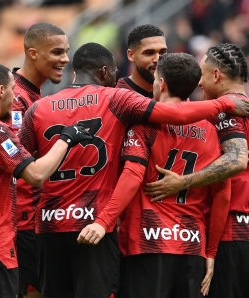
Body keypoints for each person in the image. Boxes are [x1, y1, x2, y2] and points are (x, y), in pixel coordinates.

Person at [17, 42, 249, 298]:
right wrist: (223, 104)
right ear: (106, 71)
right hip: (160, 237)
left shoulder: (38, 108)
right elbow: (221, 191)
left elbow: (21, 167)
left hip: (56, 226)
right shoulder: (120, 101)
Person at [79, 53, 231, 298]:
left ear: (162, 83)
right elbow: (222, 195)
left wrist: (104, 221)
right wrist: (211, 252)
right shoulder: (211, 129)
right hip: (192, 246)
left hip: (146, 244)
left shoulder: (144, 125)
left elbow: (133, 174)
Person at [145, 43, 249, 298]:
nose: (199, 84)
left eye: (204, 75)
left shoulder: (225, 112)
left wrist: (184, 181)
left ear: (216, 75)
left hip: (233, 236)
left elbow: (236, 161)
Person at [0, 63, 90, 298]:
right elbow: (35, 175)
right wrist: (66, 138)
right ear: (1, 91)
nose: (16, 95)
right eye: (14, 89)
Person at [6, 22, 69, 298]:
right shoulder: (14, 99)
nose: (65, 59)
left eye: (66, 52)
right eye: (56, 52)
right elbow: (16, 163)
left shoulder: (32, 94)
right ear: (33, 53)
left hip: (33, 219)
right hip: (22, 221)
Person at [116, 24, 167, 97]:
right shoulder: (115, 94)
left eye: (162, 52)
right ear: (131, 55)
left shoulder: (175, 91)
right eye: (149, 53)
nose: (157, 59)